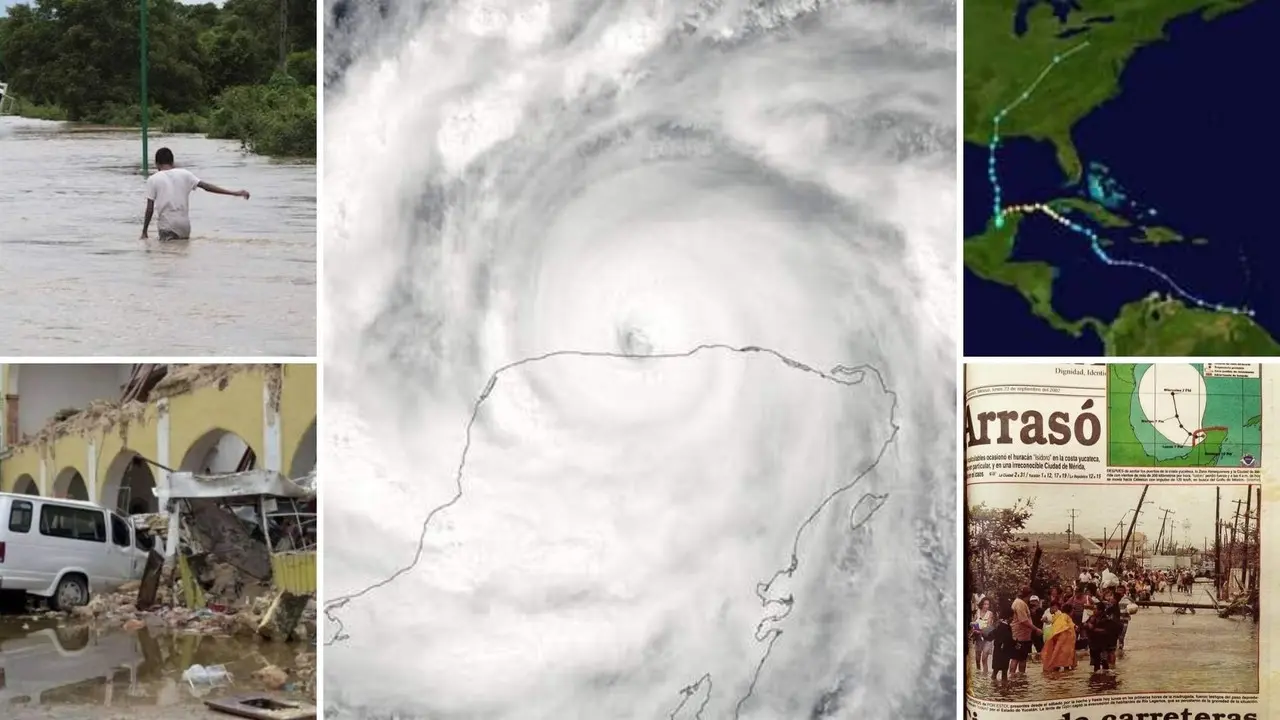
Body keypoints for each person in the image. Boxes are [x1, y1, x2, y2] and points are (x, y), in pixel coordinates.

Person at [141, 147, 250, 241]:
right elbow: (207, 187)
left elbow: (149, 209)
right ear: (173, 162)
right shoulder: (185, 174)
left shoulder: (153, 179)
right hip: (185, 226)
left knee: (167, 258)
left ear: (157, 164)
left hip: (167, 226)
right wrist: (234, 193)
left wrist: (144, 231)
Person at [1009, 586, 1035, 675]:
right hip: (1020, 636)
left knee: (1020, 658)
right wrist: (1036, 629)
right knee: (1018, 658)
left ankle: (1018, 677)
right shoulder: (1020, 604)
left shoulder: (1019, 602)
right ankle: (1017, 676)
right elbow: (1023, 620)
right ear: (1028, 595)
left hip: (1021, 636)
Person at [989, 606, 1015, 684]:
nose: (1013, 618)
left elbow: (993, 635)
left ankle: (994, 687)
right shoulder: (1006, 627)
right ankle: (1004, 689)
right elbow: (1008, 639)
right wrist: (1015, 643)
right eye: (1012, 616)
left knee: (995, 671)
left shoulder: (999, 625)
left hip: (997, 651)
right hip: (1004, 653)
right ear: (1009, 617)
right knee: (1004, 672)